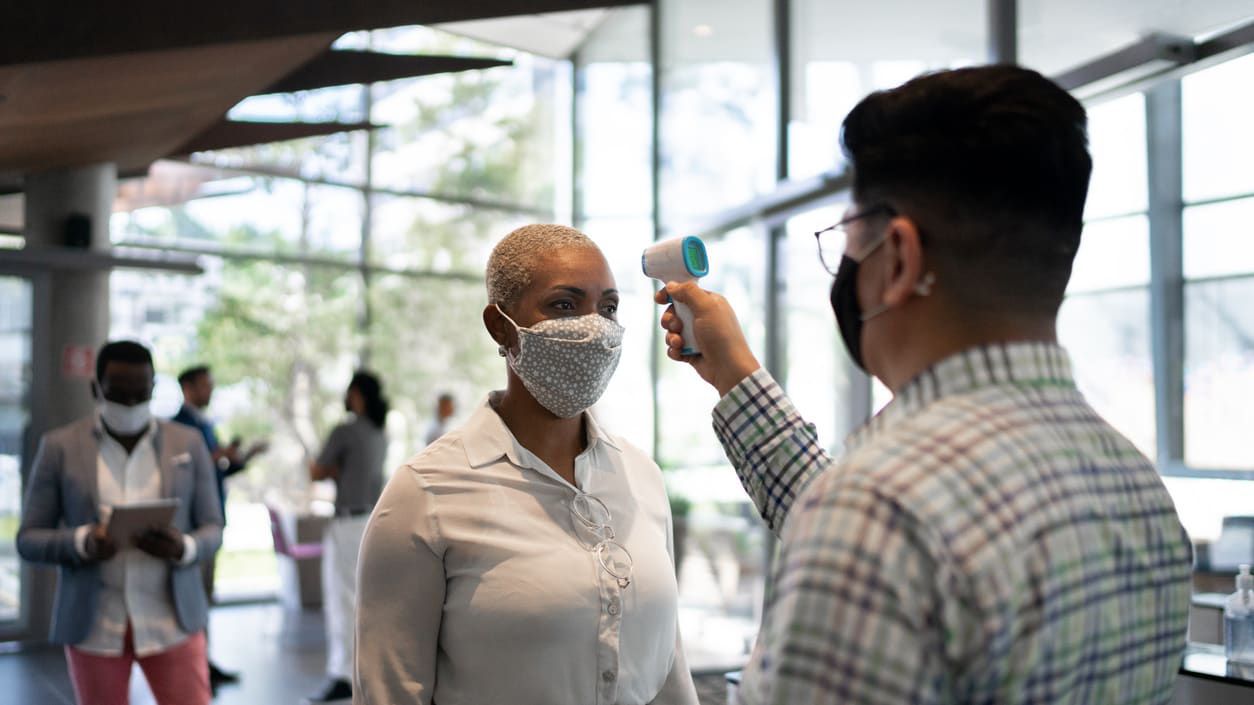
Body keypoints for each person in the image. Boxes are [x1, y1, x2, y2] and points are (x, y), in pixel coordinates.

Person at [653, 66, 1193, 705]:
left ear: (900, 257)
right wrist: (735, 375)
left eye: (847, 240)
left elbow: (873, 528)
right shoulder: (1138, 491)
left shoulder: (877, 510)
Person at [355, 224, 699, 705]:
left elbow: (669, 667)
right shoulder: (427, 493)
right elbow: (390, 691)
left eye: (609, 308)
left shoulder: (640, 475)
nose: (595, 326)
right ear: (500, 325)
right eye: (564, 304)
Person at [17, 341, 223, 705]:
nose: (130, 404)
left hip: (173, 620)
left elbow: (213, 527)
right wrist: (82, 542)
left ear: (154, 389)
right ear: (97, 389)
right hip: (93, 626)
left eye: (140, 394)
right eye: (119, 394)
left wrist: (184, 547)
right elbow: (29, 539)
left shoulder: (187, 443)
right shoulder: (60, 446)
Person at [172, 364, 267, 691]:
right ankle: (193, 668)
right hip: (191, 528)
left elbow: (215, 473)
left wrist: (241, 458)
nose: (210, 391)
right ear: (187, 387)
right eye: (204, 386)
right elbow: (187, 470)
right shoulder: (179, 427)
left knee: (206, 596)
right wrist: (218, 456)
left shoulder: (205, 425)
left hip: (211, 524)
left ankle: (203, 663)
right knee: (193, 598)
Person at [304, 371, 389, 704]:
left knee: (342, 602)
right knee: (364, 601)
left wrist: (329, 467)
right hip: (372, 520)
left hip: (347, 523)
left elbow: (316, 471)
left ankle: (343, 677)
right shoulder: (379, 432)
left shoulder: (346, 430)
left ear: (356, 394)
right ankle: (366, 674)